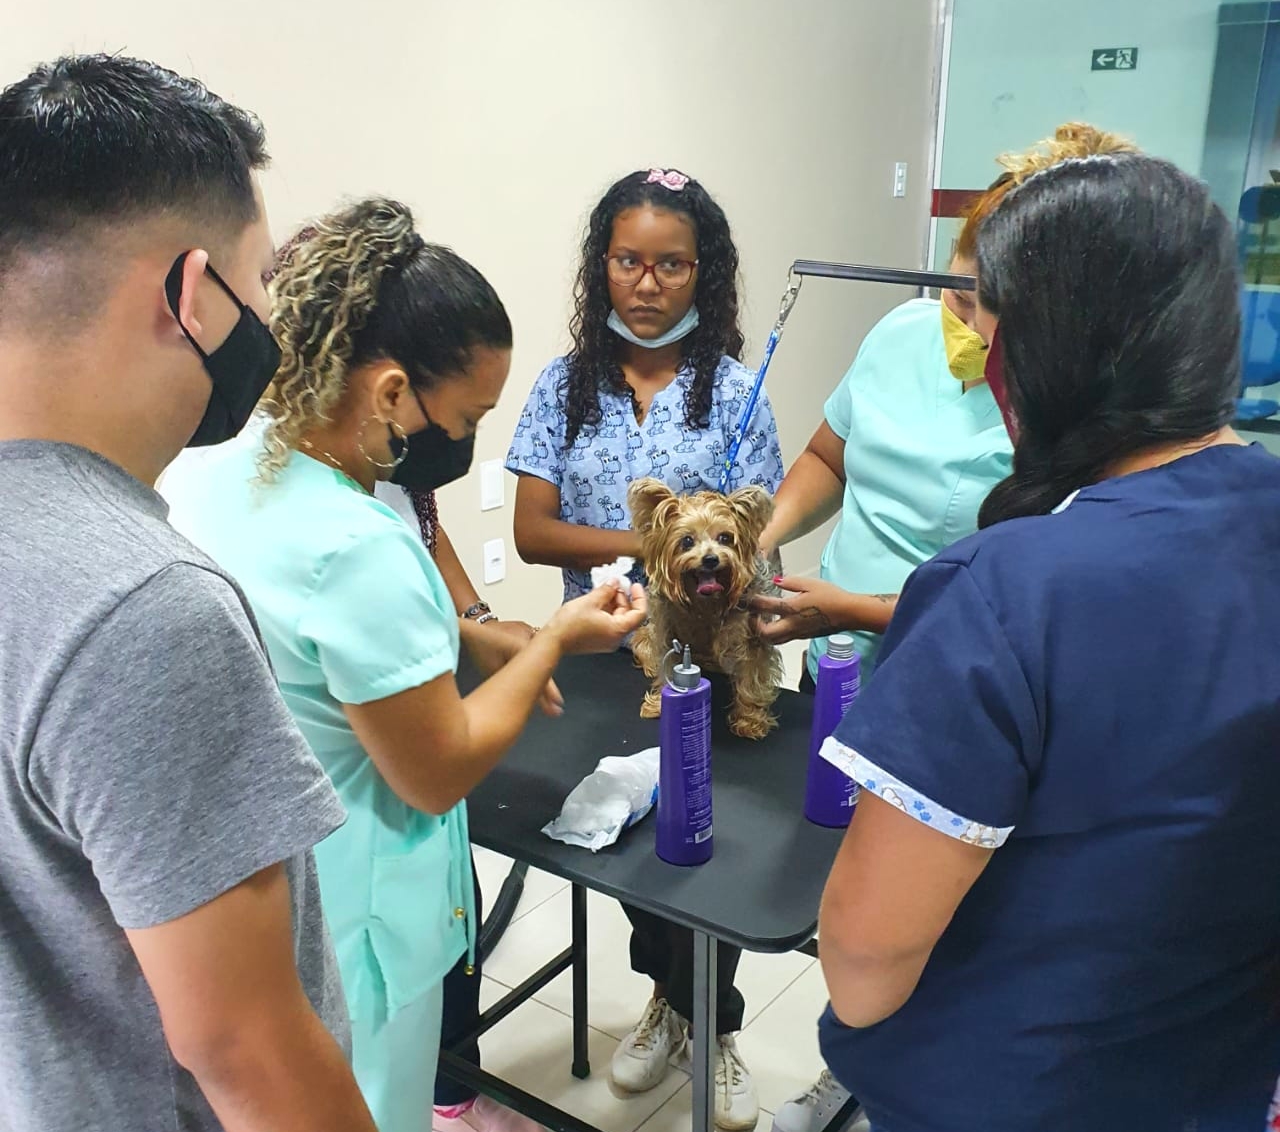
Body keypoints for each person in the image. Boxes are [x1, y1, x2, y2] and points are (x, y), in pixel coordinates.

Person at [817, 154, 1280, 1130]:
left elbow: (863, 964)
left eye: (989, 343)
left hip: (1013, 1091)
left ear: (1040, 354)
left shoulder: (1004, 594)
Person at [166, 197, 645, 1132]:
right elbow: (436, 770)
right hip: (360, 919)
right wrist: (550, 637)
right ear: (390, 392)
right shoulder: (357, 543)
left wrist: (468, 631)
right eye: (464, 415)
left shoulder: (210, 467)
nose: (462, 442)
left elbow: (316, 650)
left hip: (258, 889)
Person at [0, 55, 378, 1132]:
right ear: (188, 292)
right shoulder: (143, 607)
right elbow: (247, 1048)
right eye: (257, 289)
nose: (266, 323)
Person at [753, 123, 1135, 1132]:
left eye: (979, 301)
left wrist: (844, 605)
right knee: (839, 888)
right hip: (835, 671)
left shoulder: (1057, 408)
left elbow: (1018, 595)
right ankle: (850, 1056)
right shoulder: (897, 336)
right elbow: (829, 453)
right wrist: (767, 528)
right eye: (952, 286)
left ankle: (897, 1082)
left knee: (939, 916)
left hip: (959, 694)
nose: (957, 317)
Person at [507, 167, 784, 1132]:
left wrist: (707, 562)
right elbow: (535, 532)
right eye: (630, 260)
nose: (650, 283)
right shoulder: (564, 386)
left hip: (710, 655)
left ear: (703, 276)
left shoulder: (736, 393)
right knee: (624, 848)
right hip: (597, 651)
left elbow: (758, 546)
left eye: (673, 264)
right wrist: (656, 544)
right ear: (604, 266)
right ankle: (671, 1003)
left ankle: (714, 1025)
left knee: (705, 850)